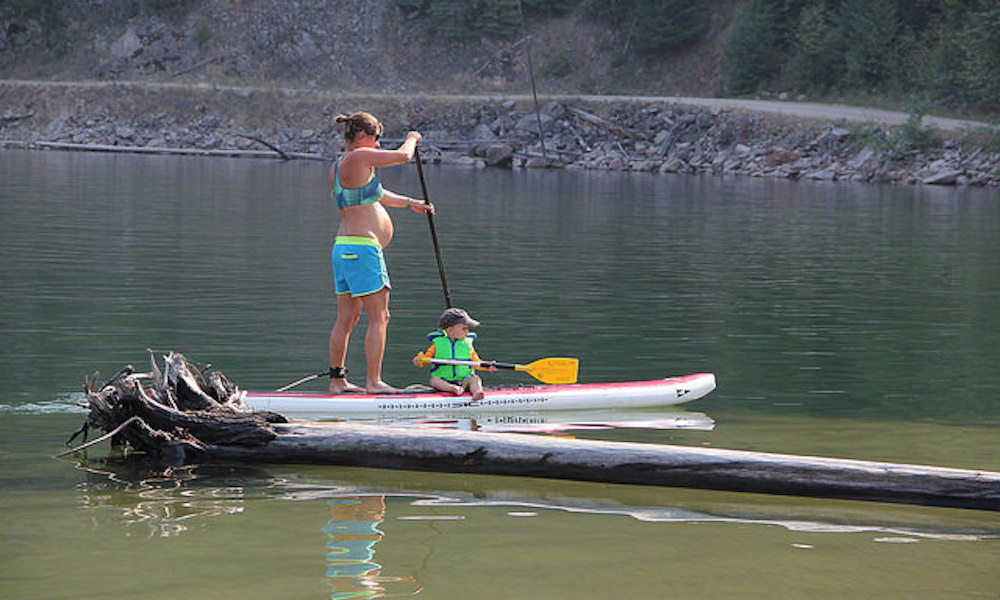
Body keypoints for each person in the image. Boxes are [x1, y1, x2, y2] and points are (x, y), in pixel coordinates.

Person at [328, 111, 433, 394]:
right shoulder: (358, 157)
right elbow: (403, 157)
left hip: (345, 248)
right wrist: (411, 138)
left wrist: (412, 203)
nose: (377, 145)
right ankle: (374, 382)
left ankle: (338, 380)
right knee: (380, 317)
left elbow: (377, 194)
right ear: (362, 136)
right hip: (363, 249)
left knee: (347, 319)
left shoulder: (343, 165)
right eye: (376, 138)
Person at [412, 308, 494, 401]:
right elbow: (425, 360)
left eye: (467, 328)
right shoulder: (437, 344)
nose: (467, 331)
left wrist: (488, 366)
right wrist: (419, 362)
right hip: (444, 381)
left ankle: (477, 393)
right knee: (434, 381)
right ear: (450, 330)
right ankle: (452, 388)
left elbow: (476, 362)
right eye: (464, 328)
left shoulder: (467, 345)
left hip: (464, 380)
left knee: (475, 379)